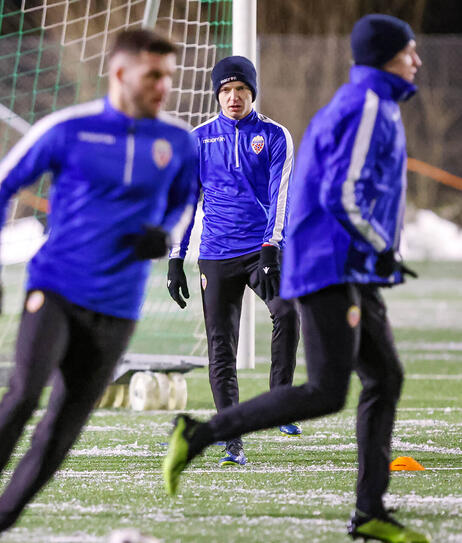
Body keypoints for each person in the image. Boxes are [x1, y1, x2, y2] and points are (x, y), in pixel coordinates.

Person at [162, 14, 428, 543]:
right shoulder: (368, 106)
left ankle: (369, 510)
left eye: (241, 88)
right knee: (324, 387)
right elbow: (342, 192)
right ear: (384, 57)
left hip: (318, 258)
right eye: (409, 51)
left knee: (381, 377)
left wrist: (275, 245)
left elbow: (303, 190)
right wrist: (383, 245)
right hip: (325, 261)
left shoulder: (340, 114)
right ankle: (208, 433)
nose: (417, 60)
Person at [0, 29, 198, 542]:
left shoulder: (178, 141)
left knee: (63, 428)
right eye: (153, 75)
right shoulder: (70, 128)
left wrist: (165, 232)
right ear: (120, 73)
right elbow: (3, 183)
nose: (164, 85)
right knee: (25, 393)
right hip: (55, 289)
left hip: (119, 307)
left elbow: (188, 199)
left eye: (169, 75)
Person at [166, 55, 301, 466]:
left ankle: (280, 401)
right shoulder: (197, 140)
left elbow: (281, 197)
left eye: (240, 89)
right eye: (225, 90)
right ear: (217, 96)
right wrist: (176, 258)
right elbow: (185, 204)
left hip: (262, 251)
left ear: (252, 92)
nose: (233, 97)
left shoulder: (276, 136)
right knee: (220, 347)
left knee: (288, 312)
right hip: (216, 255)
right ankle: (232, 440)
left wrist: (271, 247)